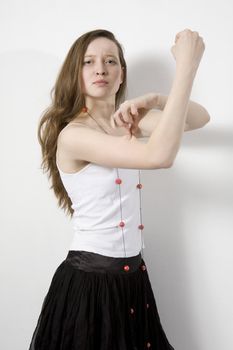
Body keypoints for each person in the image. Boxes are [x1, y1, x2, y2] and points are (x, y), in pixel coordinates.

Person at [29, 28, 209, 350]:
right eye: (89, 62)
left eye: (110, 60)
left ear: (121, 73)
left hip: (133, 278)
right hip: (90, 284)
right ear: (76, 72)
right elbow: (159, 156)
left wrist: (154, 99)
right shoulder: (74, 135)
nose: (100, 68)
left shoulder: (125, 122)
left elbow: (199, 118)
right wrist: (186, 67)